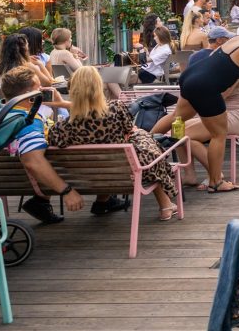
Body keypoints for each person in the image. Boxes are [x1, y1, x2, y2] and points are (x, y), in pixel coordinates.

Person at [150, 23, 239, 193]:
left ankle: (144, 144)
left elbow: (215, 57)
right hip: (206, 87)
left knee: (177, 117)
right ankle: (216, 182)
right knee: (219, 134)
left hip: (191, 76)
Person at [50, 67, 179, 220]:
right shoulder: (116, 109)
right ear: (98, 87)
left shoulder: (62, 128)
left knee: (110, 156)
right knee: (147, 148)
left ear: (72, 90)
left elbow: (55, 141)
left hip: (87, 177)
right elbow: (128, 129)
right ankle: (165, 205)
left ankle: (102, 201)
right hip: (124, 172)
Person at [0, 67, 82, 224]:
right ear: (30, 95)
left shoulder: (2, 115)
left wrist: (60, 103)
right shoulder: (28, 122)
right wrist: (67, 191)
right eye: (39, 88)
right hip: (34, 181)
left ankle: (41, 203)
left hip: (5, 180)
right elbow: (33, 161)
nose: (43, 91)